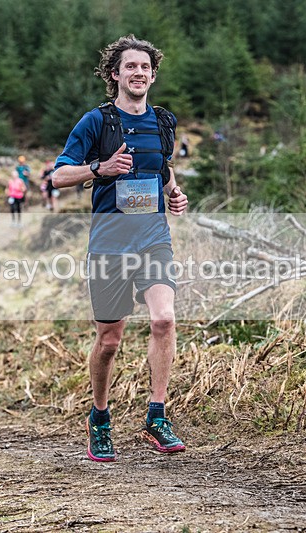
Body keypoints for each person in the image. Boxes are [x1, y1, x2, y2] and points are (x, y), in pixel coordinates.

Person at [52, 35, 189, 462]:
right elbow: (57, 177)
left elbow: (160, 166)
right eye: (130, 67)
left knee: (164, 319)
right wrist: (100, 168)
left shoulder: (163, 121)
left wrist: (174, 192)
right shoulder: (96, 122)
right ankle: (100, 418)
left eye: (145, 68)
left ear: (153, 74)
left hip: (153, 238)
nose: (138, 73)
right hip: (109, 244)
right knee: (109, 340)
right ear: (115, 74)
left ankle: (156, 415)